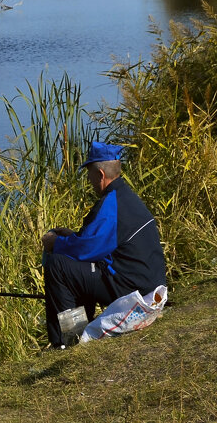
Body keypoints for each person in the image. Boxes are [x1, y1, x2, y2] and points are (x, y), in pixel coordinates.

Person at [41, 141, 166, 348]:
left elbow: (87, 249)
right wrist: (70, 236)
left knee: (58, 266)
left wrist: (56, 243)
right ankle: (80, 333)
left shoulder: (110, 204)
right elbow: (96, 242)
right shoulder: (125, 197)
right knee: (74, 266)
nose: (88, 180)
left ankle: (65, 344)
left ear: (100, 174)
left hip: (133, 289)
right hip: (147, 283)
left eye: (89, 173)